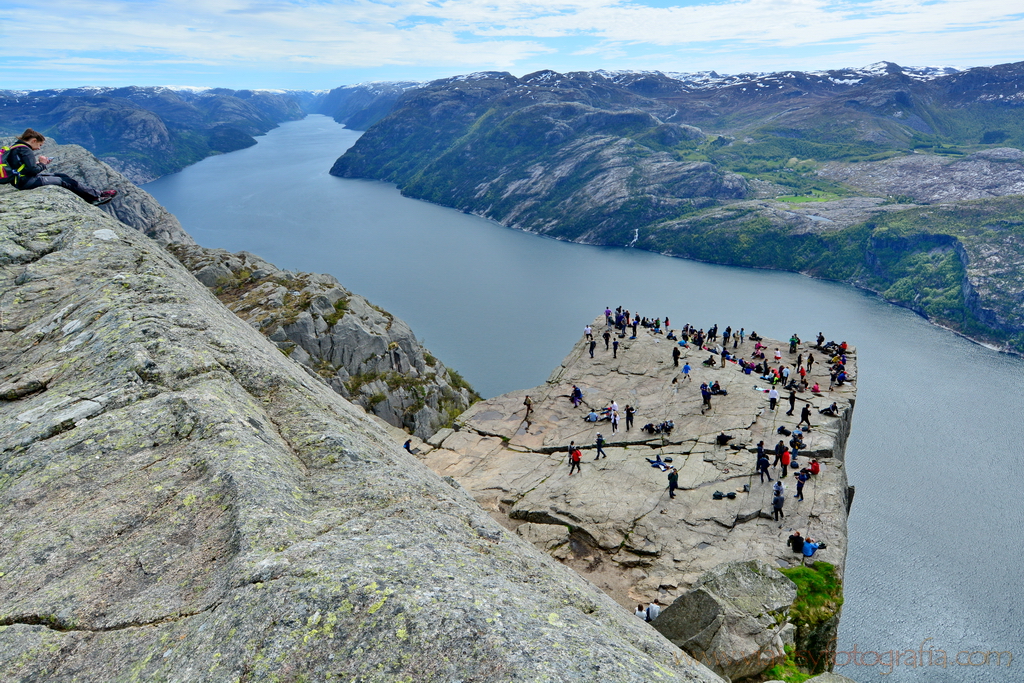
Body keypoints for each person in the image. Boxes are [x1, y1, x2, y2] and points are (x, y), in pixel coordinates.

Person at [5, 128, 117, 205]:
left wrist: (38, 164)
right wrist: (43, 164)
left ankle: (96, 194)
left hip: (20, 180)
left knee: (61, 175)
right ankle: (95, 197)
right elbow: (32, 171)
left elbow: (21, 167)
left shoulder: (15, 146)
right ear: (34, 140)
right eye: (39, 145)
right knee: (63, 181)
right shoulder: (25, 150)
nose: (39, 148)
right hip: (26, 182)